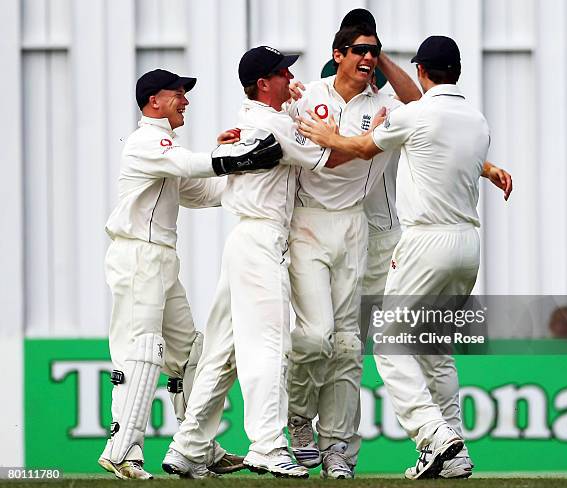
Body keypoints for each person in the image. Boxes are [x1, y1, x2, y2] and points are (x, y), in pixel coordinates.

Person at [299, 35, 503, 479]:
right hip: (468, 245)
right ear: (458, 72)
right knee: (433, 348)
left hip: (425, 242)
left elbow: (358, 148)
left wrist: (324, 135)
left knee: (390, 344)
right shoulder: (476, 119)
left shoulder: (415, 114)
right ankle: (456, 451)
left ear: (423, 71)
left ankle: (434, 435)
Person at [161, 46, 358, 479]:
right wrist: (368, 138)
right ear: (263, 83)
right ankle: (267, 445)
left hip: (243, 240)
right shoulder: (273, 125)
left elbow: (222, 190)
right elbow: (334, 157)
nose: (291, 76)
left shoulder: (257, 121)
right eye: (282, 73)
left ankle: (188, 444)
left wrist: (298, 105)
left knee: (222, 352)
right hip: (263, 241)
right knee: (269, 346)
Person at [97, 68, 282, 480]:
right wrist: (238, 157)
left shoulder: (165, 150)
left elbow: (202, 191)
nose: (185, 100)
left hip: (161, 261)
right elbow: (190, 164)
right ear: (154, 101)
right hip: (137, 257)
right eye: (177, 93)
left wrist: (244, 171)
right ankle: (122, 449)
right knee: (141, 351)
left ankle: (197, 447)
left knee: (190, 354)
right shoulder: (146, 141)